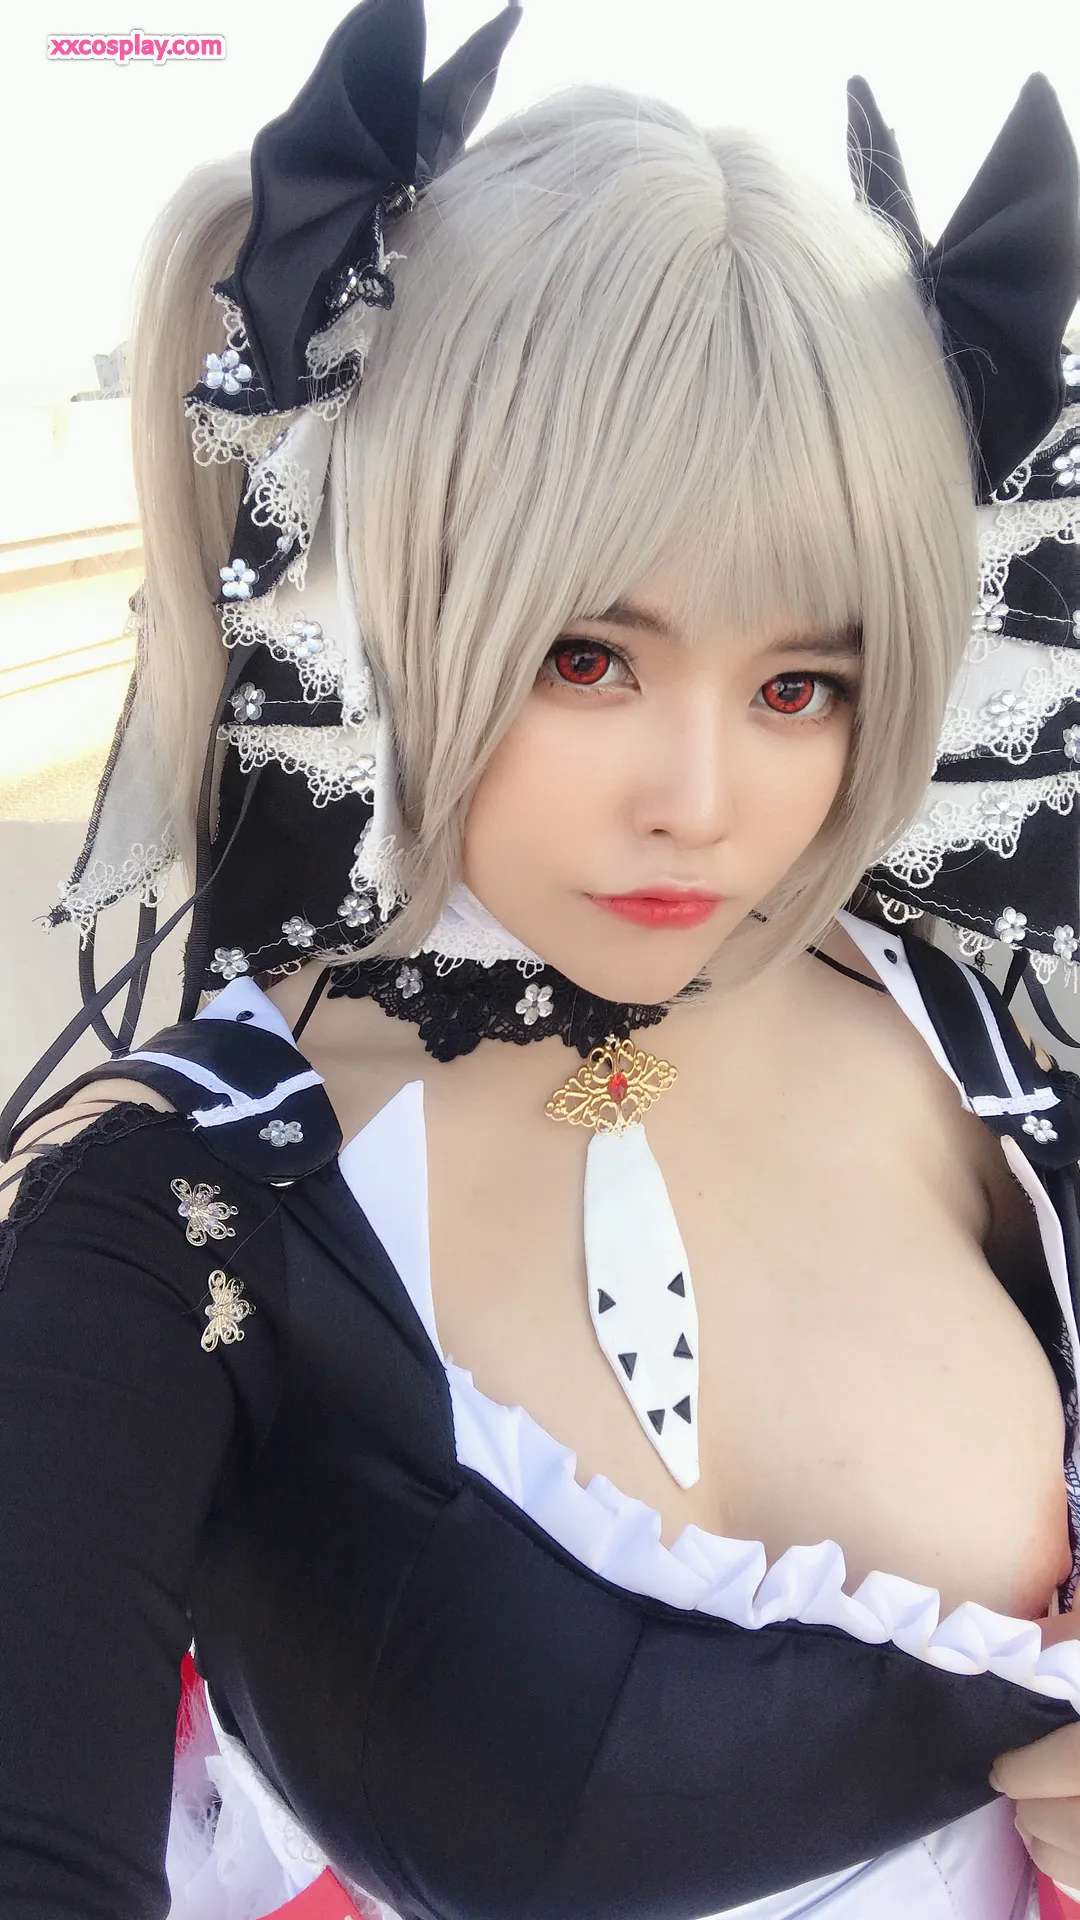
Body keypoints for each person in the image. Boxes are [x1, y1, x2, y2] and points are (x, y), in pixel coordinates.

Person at [1, 2, 1079, 1914]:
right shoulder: (173, 1218)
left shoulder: (964, 1049)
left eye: (801, 684)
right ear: (389, 594)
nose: (703, 804)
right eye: (590, 657)